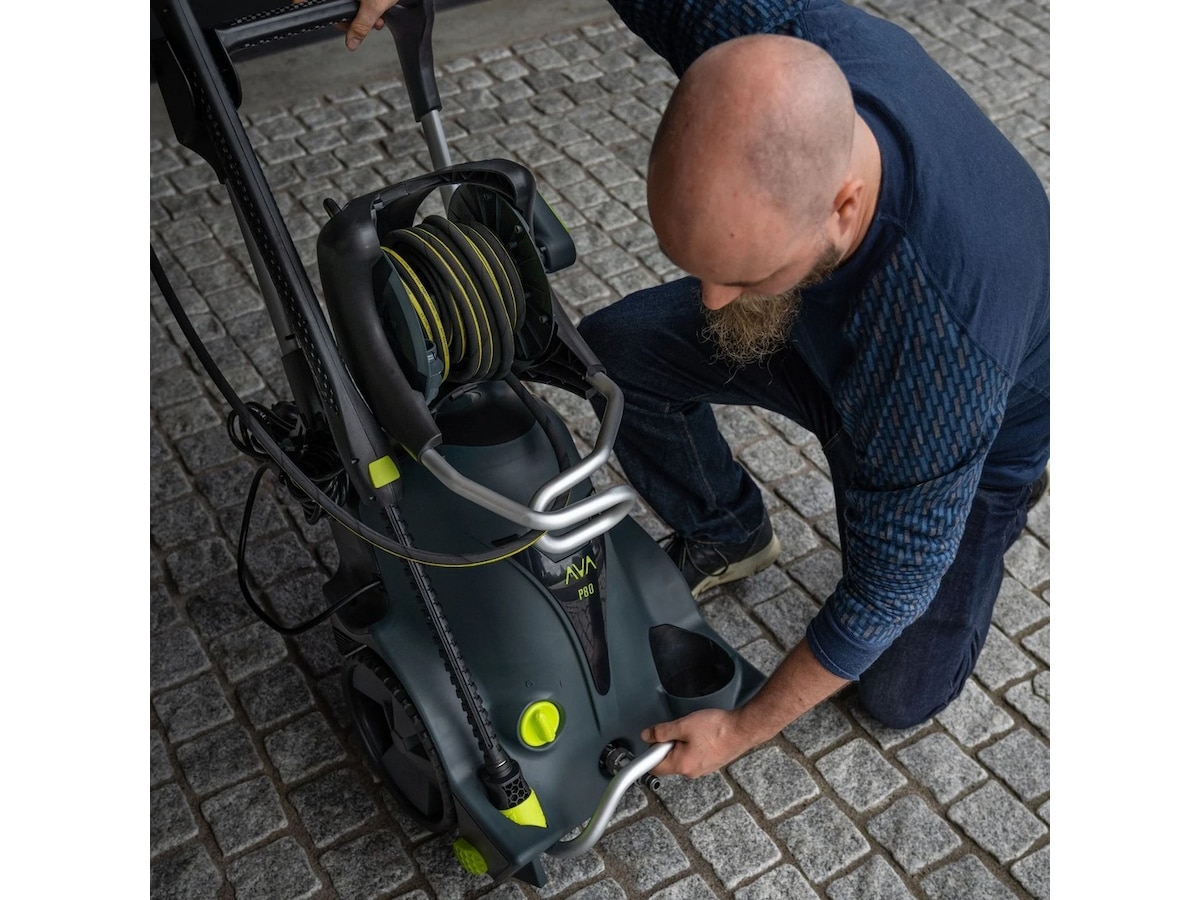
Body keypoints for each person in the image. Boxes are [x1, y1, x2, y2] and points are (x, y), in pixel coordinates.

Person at [337, 0, 1050, 780]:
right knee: (617, 354)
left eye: (742, 273)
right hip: (835, 339)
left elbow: (889, 588)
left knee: (896, 691)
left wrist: (740, 728)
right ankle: (729, 526)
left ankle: (1001, 501)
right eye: (701, 269)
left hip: (967, 426)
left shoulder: (937, 345)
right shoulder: (777, 42)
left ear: (844, 207)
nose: (711, 300)